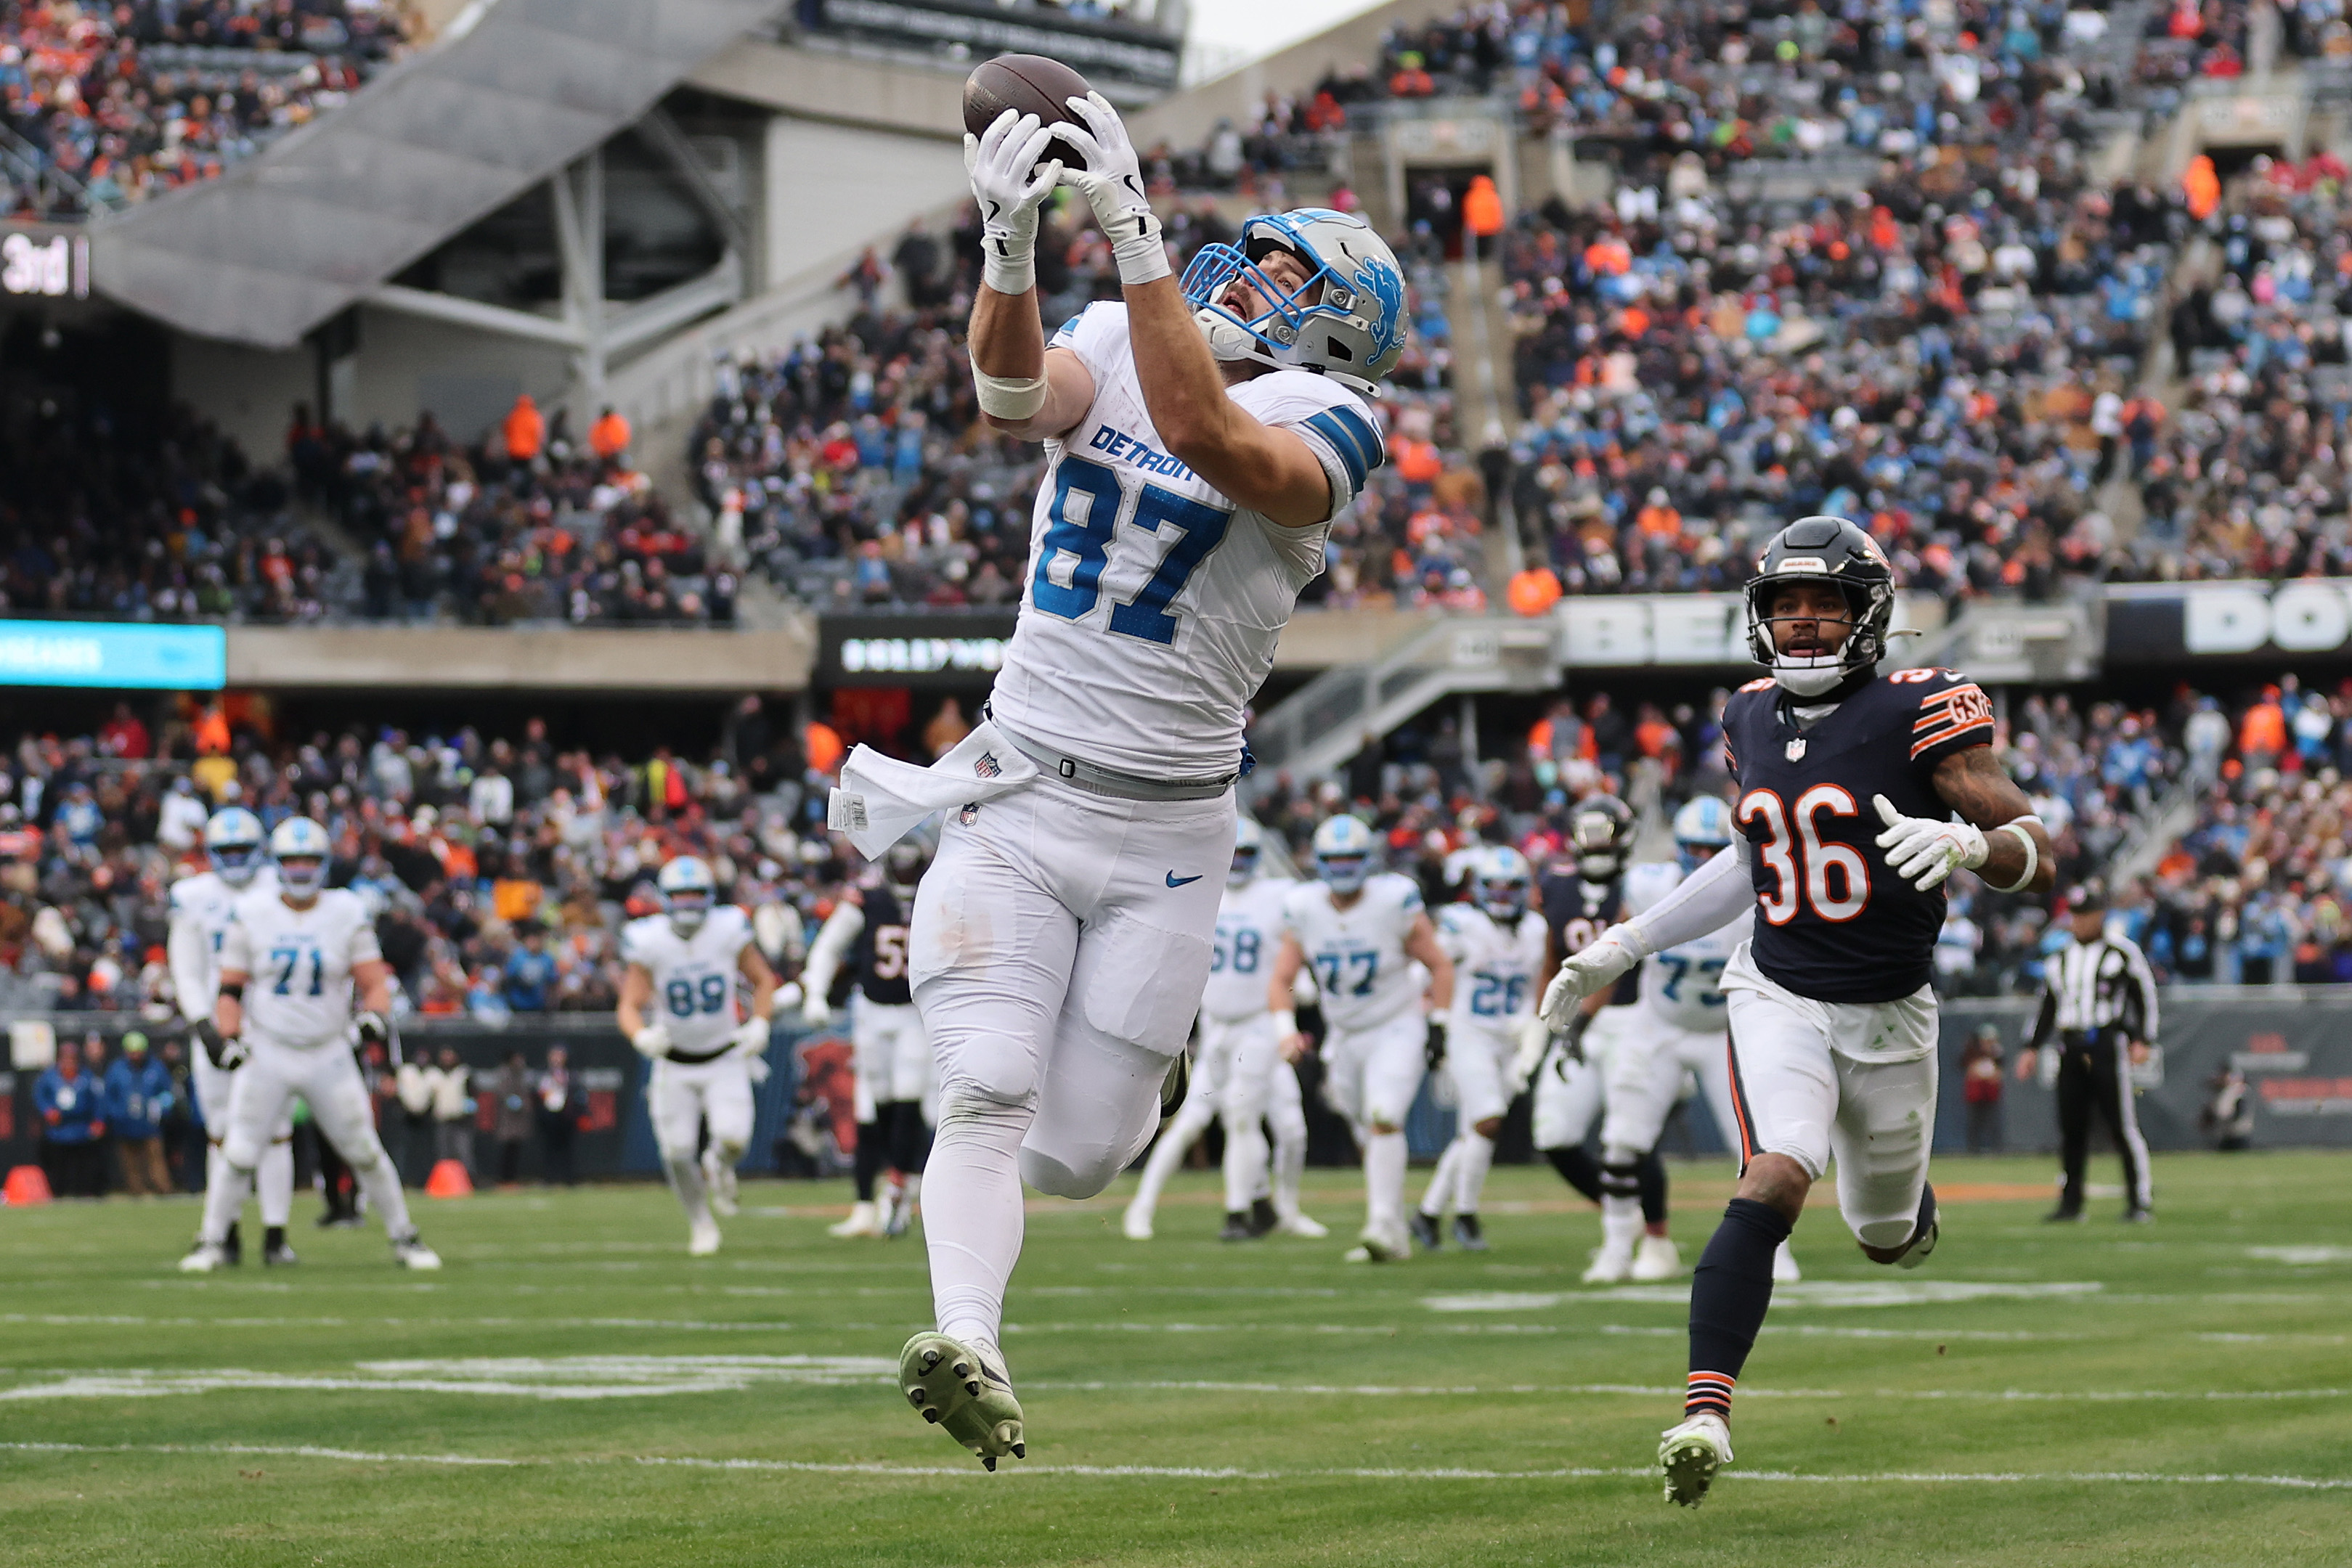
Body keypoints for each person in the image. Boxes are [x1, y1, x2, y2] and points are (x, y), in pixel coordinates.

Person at [855, 91, 1407, 1469]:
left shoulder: (1327, 418)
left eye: (1285, 277)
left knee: (1080, 1152)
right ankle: (965, 1337)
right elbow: (1002, 395)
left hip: (1166, 832)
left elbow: (1215, 443)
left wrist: (1136, 239)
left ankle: (1063, 1160)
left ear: (1335, 329)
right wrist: (1008, 246)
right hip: (1021, 789)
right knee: (983, 1087)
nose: (1244, 275)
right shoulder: (1114, 329)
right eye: (1255, 252)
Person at [1538, 515, 2054, 1506]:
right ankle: (1703, 1412)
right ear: (1758, 616)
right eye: (1786, 603)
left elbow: (2035, 848)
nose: (1805, 622)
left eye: (1826, 604)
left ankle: (1908, 1213)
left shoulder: (1922, 707)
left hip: (1892, 1015)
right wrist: (1619, 946)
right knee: (1774, 1172)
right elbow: (1749, 858)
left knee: (1883, 1237)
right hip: (1776, 990)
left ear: (1868, 617)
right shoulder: (1744, 716)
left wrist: (1970, 850)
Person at [181, 817, 441, 1272]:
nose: (300, 870)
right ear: (277, 864)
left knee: (363, 1149)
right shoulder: (253, 912)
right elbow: (229, 991)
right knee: (239, 1151)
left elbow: (374, 983)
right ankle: (211, 1241)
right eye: (291, 861)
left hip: (327, 1050)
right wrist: (229, 1039)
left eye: (309, 861)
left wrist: (374, 1019)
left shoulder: (345, 911)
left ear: (323, 864)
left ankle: (406, 1237)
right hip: (269, 1048)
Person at [1587, 797, 1799, 1285]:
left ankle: (1773, 1251)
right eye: (1693, 848)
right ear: (1676, 849)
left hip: (1724, 1031)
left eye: (1711, 848)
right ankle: (1616, 1247)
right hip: (1656, 1025)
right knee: (1621, 1141)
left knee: (1757, 1151)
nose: (1703, 859)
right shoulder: (1645, 886)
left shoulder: (1754, 895)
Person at [1268, 814, 1456, 1262]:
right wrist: (1286, 1032)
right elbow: (1281, 978)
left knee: (1383, 1116)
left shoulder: (1393, 900)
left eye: (1351, 856)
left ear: (1367, 859)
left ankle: (1381, 1226)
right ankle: (1394, 1236)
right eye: (1334, 858)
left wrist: (1440, 1023)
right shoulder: (1305, 906)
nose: (1343, 865)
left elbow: (1441, 965)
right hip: (1345, 1035)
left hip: (1396, 1023)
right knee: (1367, 1129)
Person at [1124, 818, 1319, 1242]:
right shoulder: (1200, 893)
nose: (1240, 863)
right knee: (1203, 1119)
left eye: (1248, 855)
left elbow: (1300, 947)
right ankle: (1160, 1208)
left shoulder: (1279, 897)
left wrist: (1299, 985)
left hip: (1261, 1025)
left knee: (1280, 1124)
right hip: (1218, 1028)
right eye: (1235, 854)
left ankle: (1268, 1209)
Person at [1521, 795, 1672, 1263]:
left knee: (1629, 1138)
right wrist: (1541, 1023)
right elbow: (1550, 959)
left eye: (1603, 833)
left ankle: (1655, 1236)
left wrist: (1578, 1017)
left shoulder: (1640, 885)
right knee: (1554, 1134)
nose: (1595, 845)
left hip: (1632, 1018)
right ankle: (1618, 1217)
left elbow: (1618, 967)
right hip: (1576, 1024)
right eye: (1588, 833)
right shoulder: (1557, 886)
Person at [617, 856, 779, 1256]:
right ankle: (701, 1224)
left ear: (709, 897)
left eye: (695, 895)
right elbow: (629, 1005)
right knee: (675, 1152)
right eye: (680, 895)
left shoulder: (727, 929)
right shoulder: (649, 939)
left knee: (734, 1138)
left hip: (724, 1056)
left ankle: (719, 1163)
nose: (688, 904)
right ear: (665, 899)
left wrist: (759, 1022)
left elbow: (763, 979)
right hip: (673, 1062)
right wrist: (641, 1037)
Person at [168, 807, 296, 1264]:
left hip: (270, 1027)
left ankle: (276, 1235)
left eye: (244, 849)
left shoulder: (279, 888)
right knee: (221, 1135)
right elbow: (186, 967)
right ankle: (226, 1233)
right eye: (228, 850)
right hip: (217, 1030)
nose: (237, 858)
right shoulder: (193, 896)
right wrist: (204, 1023)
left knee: (276, 1132)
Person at [1412, 845, 1545, 1251]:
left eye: (1512, 888)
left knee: (1474, 1132)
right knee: (1487, 1121)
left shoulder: (1536, 929)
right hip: (1469, 1034)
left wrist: (1532, 1033)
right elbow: (1429, 971)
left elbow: (1538, 985)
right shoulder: (1461, 923)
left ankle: (1428, 1214)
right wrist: (1434, 1020)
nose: (1503, 896)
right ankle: (1465, 1215)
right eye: (1495, 888)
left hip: (1511, 1040)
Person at [803, 841, 935, 1240]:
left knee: (909, 1099)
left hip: (917, 1011)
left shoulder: (939, 895)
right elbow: (828, 946)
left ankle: (898, 1188)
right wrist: (814, 990)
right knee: (872, 1105)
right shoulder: (868, 900)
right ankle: (871, 1201)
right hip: (872, 1011)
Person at [2019, 883, 2157, 1221]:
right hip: (2070, 1044)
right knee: (2071, 1128)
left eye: (2086, 915)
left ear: (2101, 916)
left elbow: (2145, 996)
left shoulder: (2122, 952)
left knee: (2121, 1125)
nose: (2080, 923)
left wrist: (2144, 1038)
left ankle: (2139, 1200)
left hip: (2106, 1042)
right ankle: (2071, 1203)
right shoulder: (2060, 958)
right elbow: (2047, 1006)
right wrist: (2032, 1047)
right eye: (2076, 916)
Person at [105, 1030, 176, 1197]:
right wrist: (118, 1114)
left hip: (150, 1124)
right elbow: (109, 1095)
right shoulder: (117, 1069)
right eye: (132, 1052)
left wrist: (161, 1108)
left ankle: (163, 1190)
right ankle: (137, 1191)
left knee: (155, 1159)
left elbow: (168, 1093)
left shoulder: (156, 1068)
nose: (136, 1056)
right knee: (130, 1163)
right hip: (125, 1125)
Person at [36, 1038, 107, 1197]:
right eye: (65, 1058)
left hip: (81, 1129)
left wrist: (98, 1121)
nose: (69, 1062)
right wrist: (48, 1111)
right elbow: (40, 1096)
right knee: (58, 1165)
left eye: (72, 1058)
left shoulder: (87, 1077)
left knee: (83, 1165)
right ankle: (58, 1193)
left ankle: (83, 1192)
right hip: (58, 1130)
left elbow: (98, 1101)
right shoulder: (49, 1077)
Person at [537, 1045, 585, 1185]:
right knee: (550, 1148)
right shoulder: (544, 1073)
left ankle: (568, 1178)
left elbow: (577, 1092)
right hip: (549, 1115)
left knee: (567, 1148)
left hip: (566, 1115)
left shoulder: (571, 1074)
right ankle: (550, 1177)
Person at [490, 1051, 534, 1185]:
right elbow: (504, 1094)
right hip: (507, 1120)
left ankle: (512, 1178)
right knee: (507, 1151)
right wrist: (516, 1102)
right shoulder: (505, 1075)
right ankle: (505, 1179)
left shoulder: (522, 1075)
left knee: (515, 1150)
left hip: (518, 1122)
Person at [1962, 1024, 2006, 1152]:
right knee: (1974, 1122)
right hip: (1976, 1094)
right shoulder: (1973, 1052)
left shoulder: (1997, 1054)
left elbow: (1999, 1073)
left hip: (1991, 1093)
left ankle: (1996, 1148)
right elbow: (1969, 1070)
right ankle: (1973, 1149)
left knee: (1993, 1122)